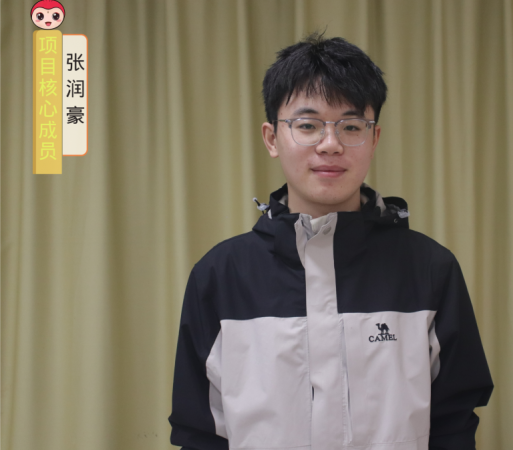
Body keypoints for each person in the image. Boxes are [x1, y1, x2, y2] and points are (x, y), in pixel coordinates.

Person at [169, 32, 493, 450]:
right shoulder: (220, 275)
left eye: (351, 126)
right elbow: (200, 432)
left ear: (374, 139)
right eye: (307, 125)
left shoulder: (430, 270)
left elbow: (453, 425)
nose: (330, 144)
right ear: (272, 138)